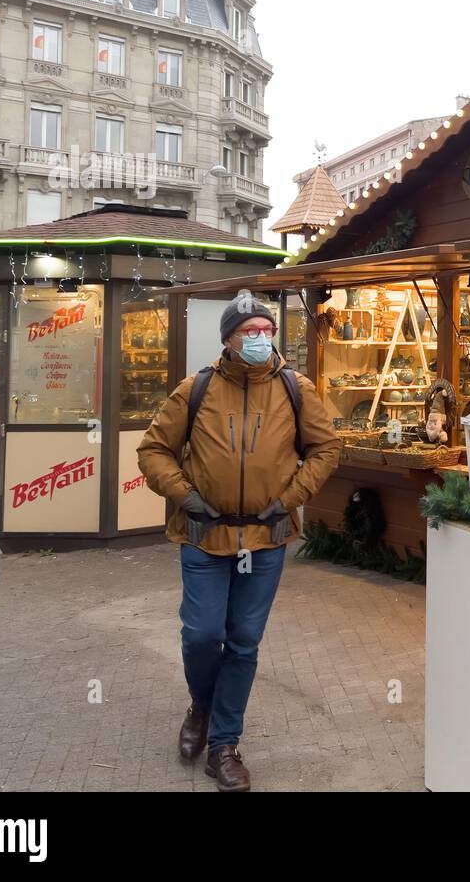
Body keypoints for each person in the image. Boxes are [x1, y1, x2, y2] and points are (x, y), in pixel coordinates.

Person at [138, 293, 341, 791]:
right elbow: (154, 449)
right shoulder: (197, 389)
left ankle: (224, 745)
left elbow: (326, 446)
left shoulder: (296, 388)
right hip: (205, 534)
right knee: (203, 635)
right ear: (227, 338)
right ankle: (201, 705)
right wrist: (186, 497)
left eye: (265, 330)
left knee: (244, 643)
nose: (259, 339)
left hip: (265, 538)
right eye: (248, 331)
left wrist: (290, 498)